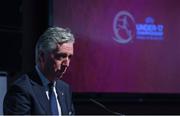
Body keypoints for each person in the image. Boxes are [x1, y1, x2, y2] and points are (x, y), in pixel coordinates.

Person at [3, 27, 75, 115]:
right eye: (61, 56)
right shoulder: (21, 90)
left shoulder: (64, 89)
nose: (66, 64)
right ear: (42, 56)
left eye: (69, 57)